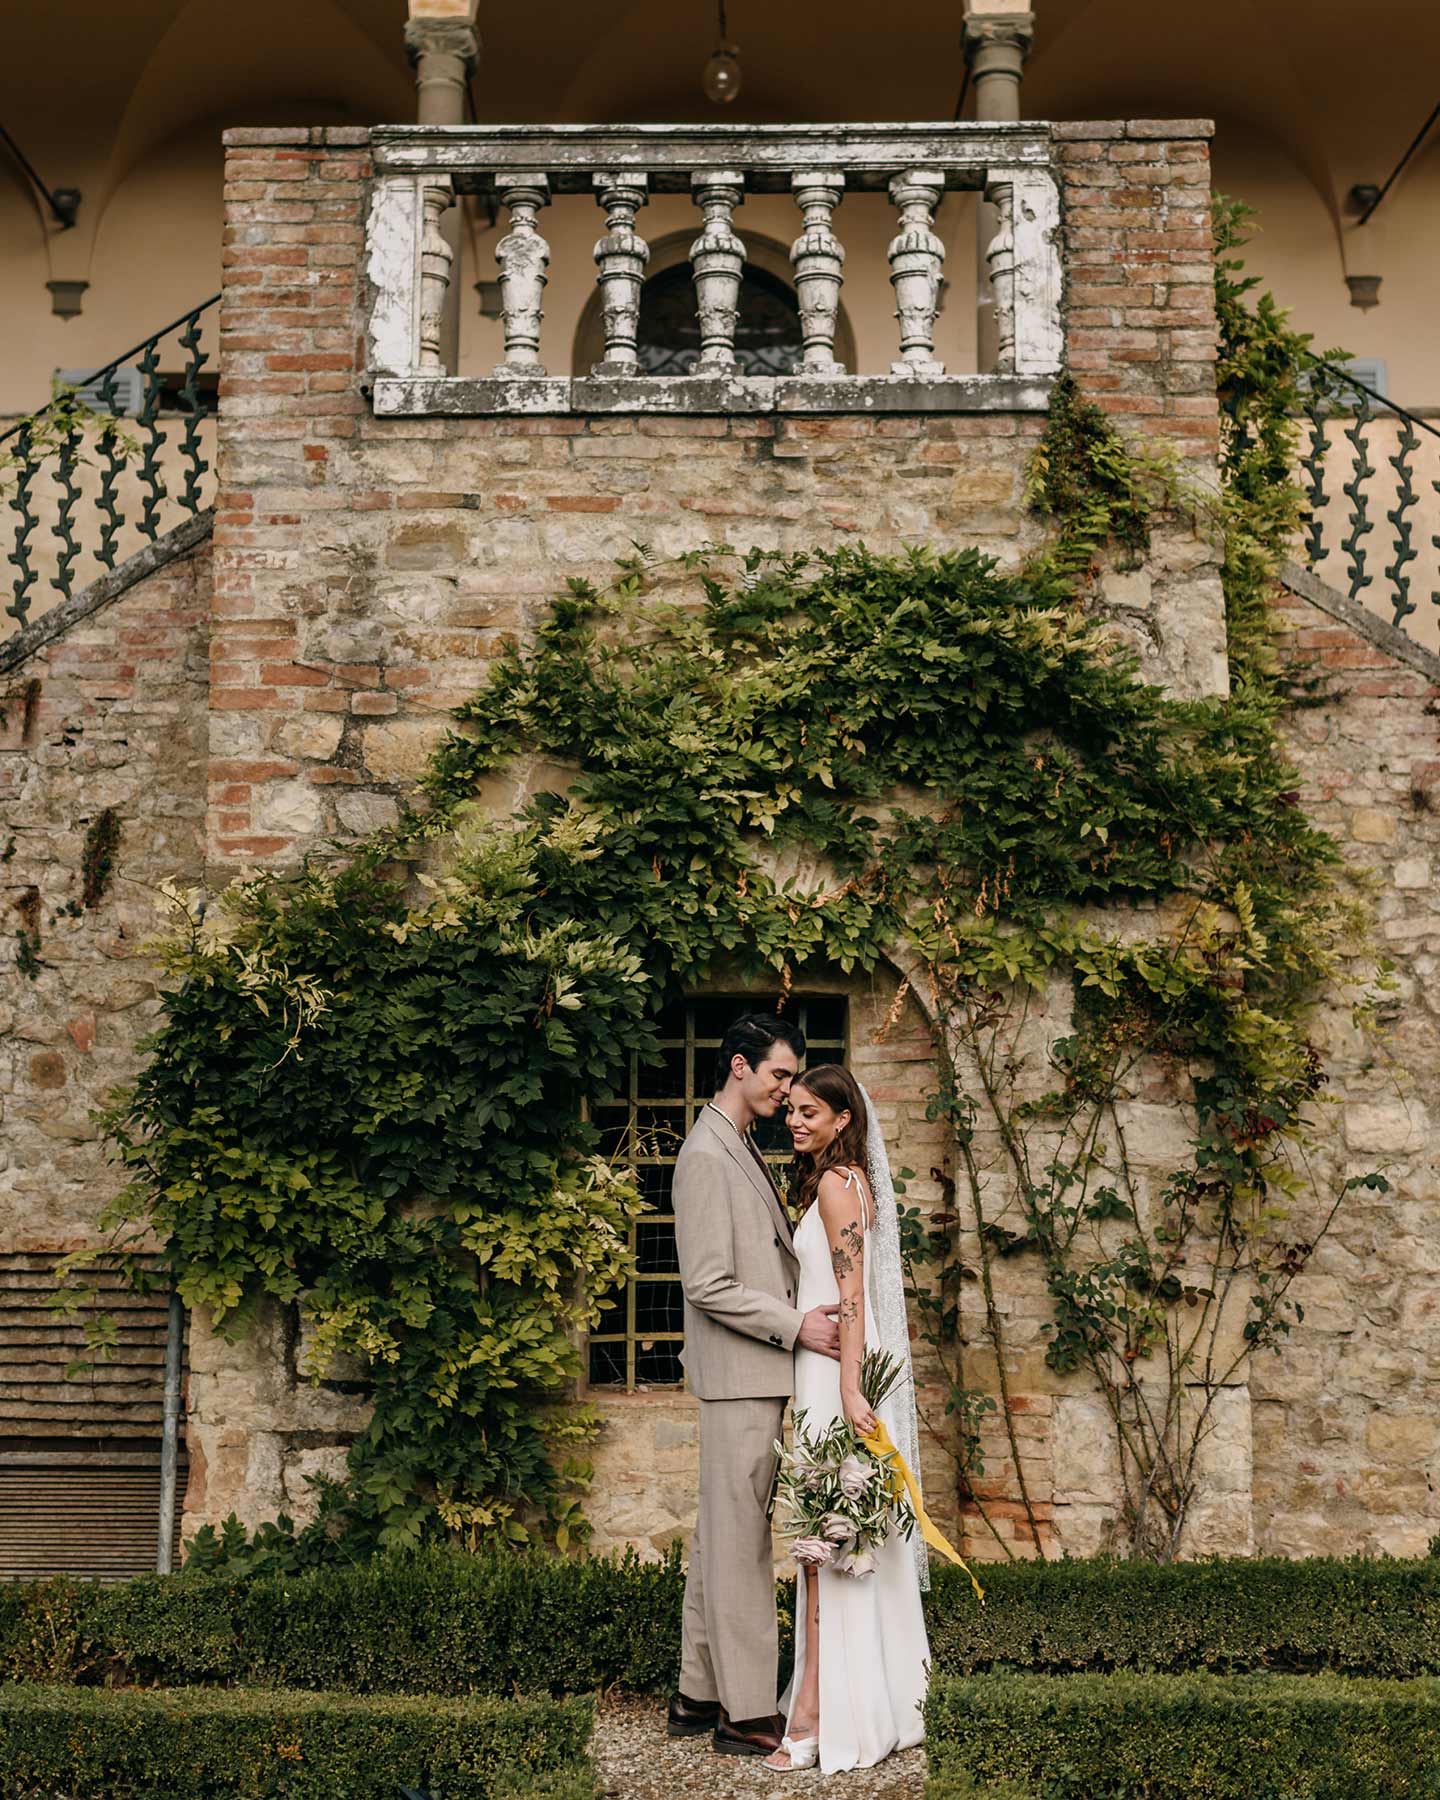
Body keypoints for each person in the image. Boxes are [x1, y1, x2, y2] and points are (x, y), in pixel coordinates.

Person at [666, 1013, 843, 1757]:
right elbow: (707, 1283)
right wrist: (795, 1325)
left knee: (720, 1535)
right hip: (742, 1375)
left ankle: (696, 1692)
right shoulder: (707, 1153)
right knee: (742, 1545)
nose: (786, 1088)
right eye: (778, 1074)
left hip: (751, 1375)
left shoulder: (736, 1144)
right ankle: (743, 1714)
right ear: (739, 1066)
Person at [767, 1062, 930, 1774]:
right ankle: (854, 1700)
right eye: (792, 1110)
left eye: (809, 1112)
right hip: (830, 1374)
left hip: (834, 1381)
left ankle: (811, 1720)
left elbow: (852, 1291)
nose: (795, 1121)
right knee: (831, 1545)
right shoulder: (850, 1181)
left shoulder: (837, 1186)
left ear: (842, 1119)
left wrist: (851, 1388)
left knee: (825, 1547)